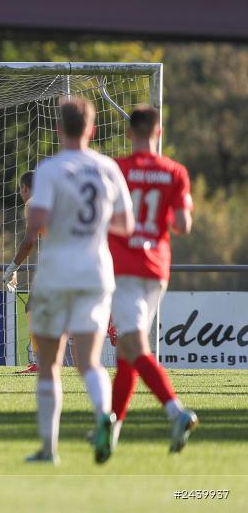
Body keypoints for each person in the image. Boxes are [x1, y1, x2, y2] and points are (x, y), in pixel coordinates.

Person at [5, 97, 134, 465]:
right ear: (92, 129)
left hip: (58, 271)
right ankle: (104, 416)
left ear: (59, 129)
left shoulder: (51, 169)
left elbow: (36, 224)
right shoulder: (108, 168)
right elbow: (126, 225)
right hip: (96, 271)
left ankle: (49, 449)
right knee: (90, 362)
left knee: (49, 363)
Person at [108, 105, 198, 453]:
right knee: (127, 354)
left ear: (130, 133)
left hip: (125, 269)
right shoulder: (175, 171)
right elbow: (183, 226)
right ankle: (111, 429)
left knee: (133, 347)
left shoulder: (117, 169)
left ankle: (175, 411)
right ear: (158, 132)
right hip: (157, 270)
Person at [5, 170, 40, 373]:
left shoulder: (32, 204)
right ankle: (110, 323)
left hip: (64, 259)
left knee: (33, 307)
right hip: (88, 255)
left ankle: (40, 362)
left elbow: (29, 241)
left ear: (24, 188)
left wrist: (13, 267)